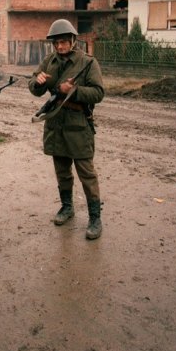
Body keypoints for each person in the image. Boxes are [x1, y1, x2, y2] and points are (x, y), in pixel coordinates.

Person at [28, 19, 105, 240]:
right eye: (56, 43)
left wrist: (73, 90)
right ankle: (67, 207)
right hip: (55, 124)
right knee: (62, 172)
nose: (60, 47)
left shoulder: (87, 62)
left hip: (78, 125)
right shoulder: (49, 61)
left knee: (86, 174)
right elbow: (34, 87)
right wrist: (39, 82)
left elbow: (98, 93)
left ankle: (95, 218)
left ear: (72, 40)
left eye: (64, 42)